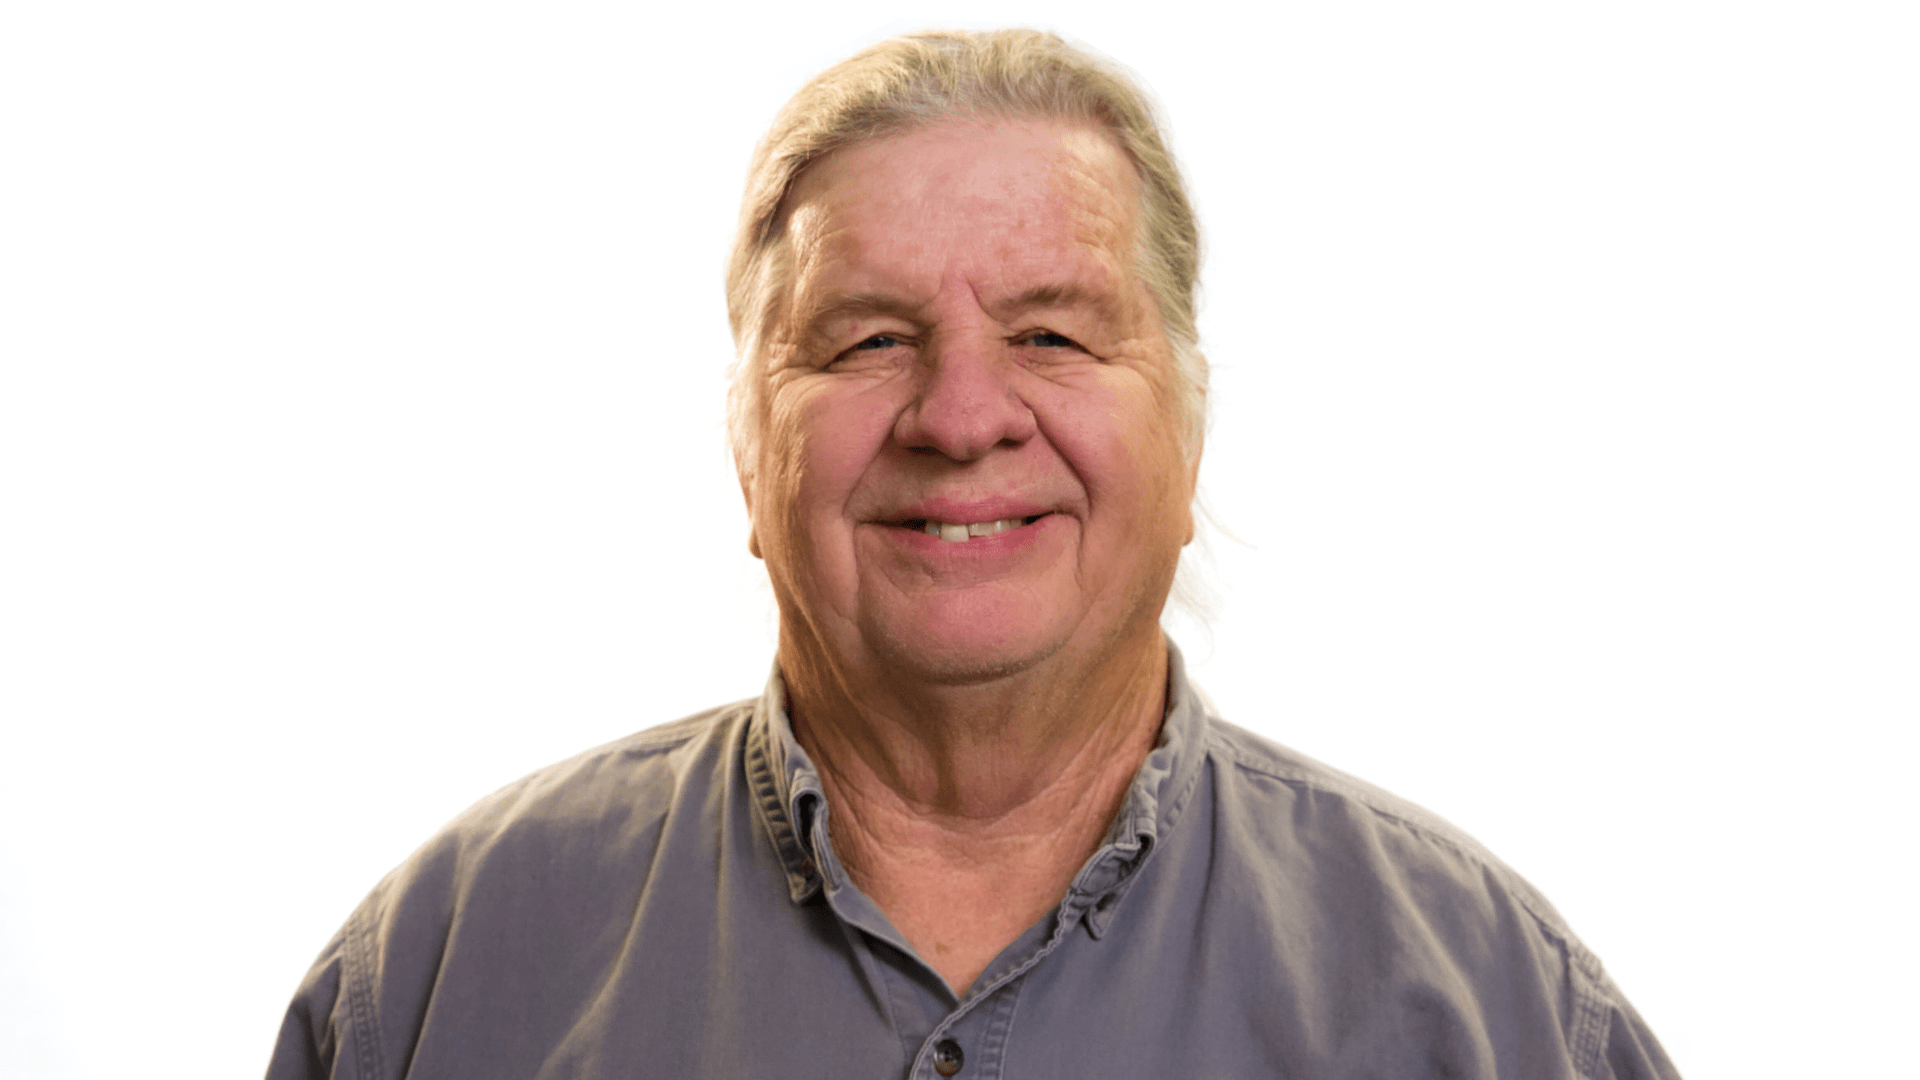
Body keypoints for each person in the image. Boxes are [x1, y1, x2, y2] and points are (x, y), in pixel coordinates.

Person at [268, 29, 1679, 1079]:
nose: (959, 417)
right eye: (868, 340)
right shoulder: (439, 982)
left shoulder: (1495, 1014)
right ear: (750, 450)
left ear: (1188, 434)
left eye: (1051, 334)